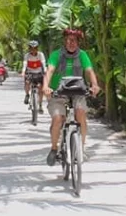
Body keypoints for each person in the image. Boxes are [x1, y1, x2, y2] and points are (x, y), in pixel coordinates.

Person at [42, 29, 101, 166]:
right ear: (64, 41)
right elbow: (49, 70)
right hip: (58, 93)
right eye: (68, 40)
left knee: (81, 113)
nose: (71, 43)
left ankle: (81, 148)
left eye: (74, 40)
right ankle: (54, 148)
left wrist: (95, 85)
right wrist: (46, 87)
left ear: (78, 42)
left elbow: (89, 71)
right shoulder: (56, 55)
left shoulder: (82, 55)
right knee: (58, 119)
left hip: (78, 92)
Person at [21, 40, 47, 112]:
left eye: (35, 48)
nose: (33, 50)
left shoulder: (40, 55)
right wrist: (23, 71)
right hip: (30, 73)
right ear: (29, 49)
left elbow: (43, 63)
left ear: (37, 48)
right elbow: (25, 63)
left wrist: (45, 70)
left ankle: (40, 105)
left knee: (41, 89)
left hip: (38, 73)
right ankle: (27, 95)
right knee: (27, 82)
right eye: (31, 48)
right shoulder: (27, 55)